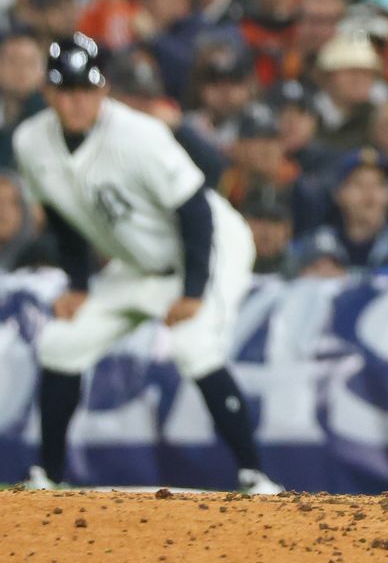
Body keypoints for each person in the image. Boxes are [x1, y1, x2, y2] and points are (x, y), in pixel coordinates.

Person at [13, 34, 281, 494]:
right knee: (61, 343)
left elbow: (195, 210)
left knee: (195, 347)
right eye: (66, 91)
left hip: (210, 248)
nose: (77, 102)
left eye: (86, 90)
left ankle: (255, 476)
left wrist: (193, 292)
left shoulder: (138, 135)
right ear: (49, 93)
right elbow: (60, 213)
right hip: (138, 262)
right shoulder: (30, 141)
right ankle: (49, 476)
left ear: (103, 91)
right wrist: (78, 283)